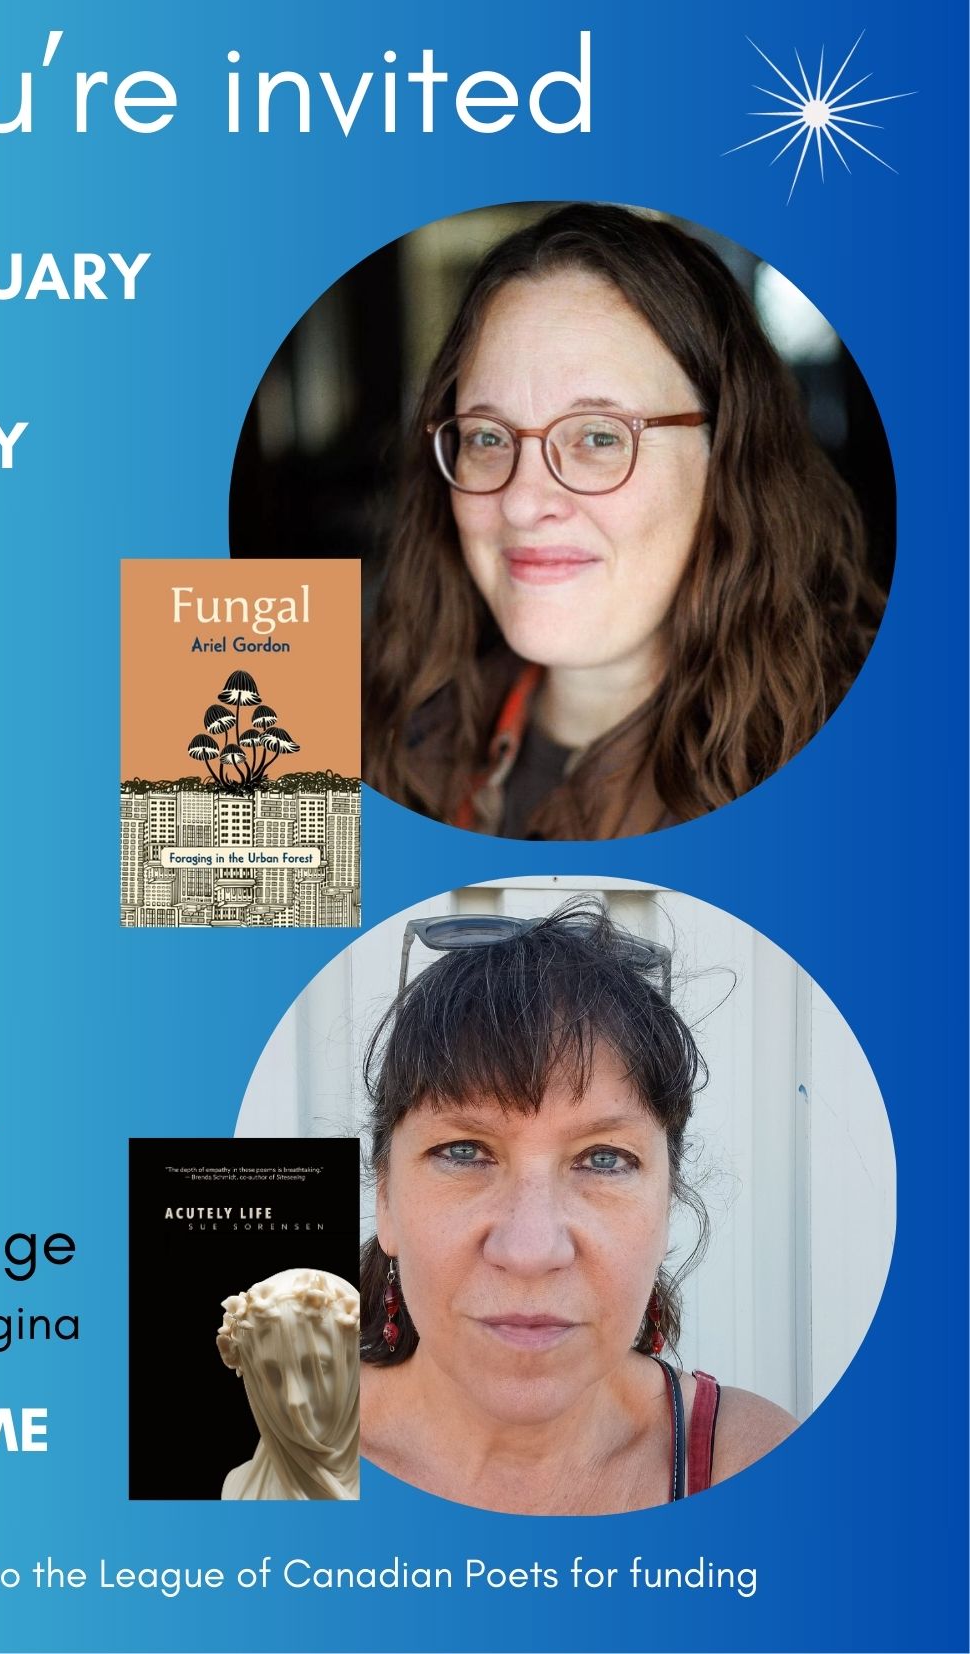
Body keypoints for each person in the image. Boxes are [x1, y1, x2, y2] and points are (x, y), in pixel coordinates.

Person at [362, 203, 885, 838]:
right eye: (488, 437)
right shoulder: (354, 714)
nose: (524, 502)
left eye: (601, 437)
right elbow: (245, 918)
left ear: (729, 455)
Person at [359, 903, 794, 1514]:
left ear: (667, 1204)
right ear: (385, 1198)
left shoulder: (752, 1464)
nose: (531, 1251)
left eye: (605, 1159)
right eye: (463, 1151)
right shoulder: (259, 1461)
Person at [216, 1267, 361, 1500]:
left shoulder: (405, 1477)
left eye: (316, 1369)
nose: (295, 1401)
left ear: (354, 1365)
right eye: (272, 1374)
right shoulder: (239, 1488)